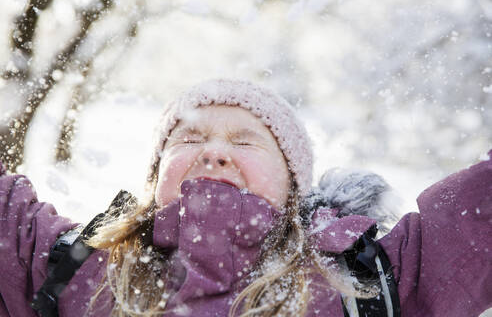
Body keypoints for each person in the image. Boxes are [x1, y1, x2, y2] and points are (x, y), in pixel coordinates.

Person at [0, 79, 490, 317]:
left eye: (244, 141)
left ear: (292, 184)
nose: (214, 152)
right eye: (188, 140)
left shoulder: (370, 279)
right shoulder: (71, 266)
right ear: (154, 177)